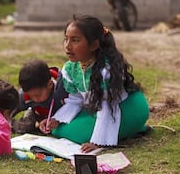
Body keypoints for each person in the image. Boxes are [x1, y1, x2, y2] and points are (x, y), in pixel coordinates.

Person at [39, 15, 150, 153]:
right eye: (66, 39)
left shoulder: (106, 71)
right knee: (58, 129)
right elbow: (76, 100)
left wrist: (97, 142)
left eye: (75, 40)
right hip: (99, 107)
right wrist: (56, 120)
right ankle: (131, 130)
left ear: (94, 45)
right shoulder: (70, 68)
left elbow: (108, 105)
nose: (67, 45)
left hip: (125, 107)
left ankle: (133, 125)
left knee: (74, 135)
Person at [11, 59, 68, 134]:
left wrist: (57, 120)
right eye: (30, 96)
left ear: (50, 85)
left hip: (60, 116)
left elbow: (71, 108)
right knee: (25, 127)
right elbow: (11, 109)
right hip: (36, 112)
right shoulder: (25, 95)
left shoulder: (62, 90)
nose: (35, 99)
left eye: (37, 95)